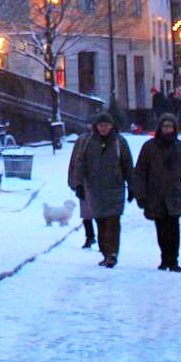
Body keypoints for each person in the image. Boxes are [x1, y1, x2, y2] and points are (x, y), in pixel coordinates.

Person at [133, 113, 181, 271]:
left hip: (175, 193)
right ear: (160, 128)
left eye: (170, 126)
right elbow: (140, 171)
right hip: (155, 194)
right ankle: (165, 258)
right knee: (161, 228)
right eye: (165, 126)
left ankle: (173, 260)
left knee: (173, 227)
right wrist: (140, 194)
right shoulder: (149, 147)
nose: (167, 129)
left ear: (174, 128)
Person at [67, 112, 134, 268]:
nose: (104, 128)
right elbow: (80, 163)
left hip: (114, 188)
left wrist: (132, 186)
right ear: (96, 126)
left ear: (112, 126)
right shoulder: (88, 142)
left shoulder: (119, 142)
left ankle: (112, 254)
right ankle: (105, 252)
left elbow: (128, 165)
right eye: (101, 125)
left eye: (106, 125)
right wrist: (78, 184)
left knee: (113, 221)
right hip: (94, 189)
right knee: (101, 222)